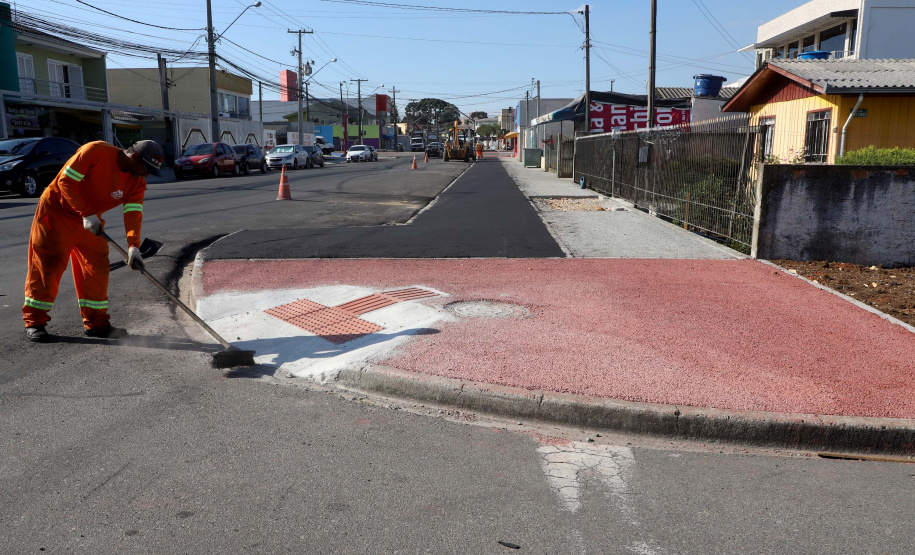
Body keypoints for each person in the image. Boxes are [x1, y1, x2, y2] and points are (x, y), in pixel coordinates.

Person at [22, 140, 164, 343]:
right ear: (134, 158)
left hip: (89, 219)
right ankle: (35, 321)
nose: (146, 174)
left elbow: (133, 213)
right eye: (145, 168)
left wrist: (134, 246)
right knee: (49, 265)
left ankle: (96, 323)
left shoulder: (137, 182)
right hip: (56, 212)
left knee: (96, 267)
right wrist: (87, 213)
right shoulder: (95, 152)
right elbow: (65, 182)